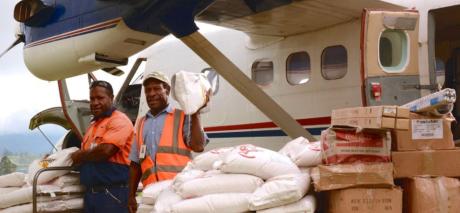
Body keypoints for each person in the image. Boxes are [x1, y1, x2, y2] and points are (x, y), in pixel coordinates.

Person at [127, 71, 209, 213]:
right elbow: (135, 164)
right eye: (148, 90)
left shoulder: (184, 115)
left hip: (179, 192)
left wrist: (195, 113)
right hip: (152, 196)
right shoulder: (140, 123)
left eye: (156, 88)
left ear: (167, 90)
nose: (151, 93)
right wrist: (130, 195)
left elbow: (198, 146)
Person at [71, 80, 134, 213]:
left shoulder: (119, 120)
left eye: (100, 98)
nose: (95, 102)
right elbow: (87, 156)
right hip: (91, 195)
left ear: (111, 98)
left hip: (113, 195)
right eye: (92, 99)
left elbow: (105, 151)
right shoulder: (92, 126)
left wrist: (79, 155)